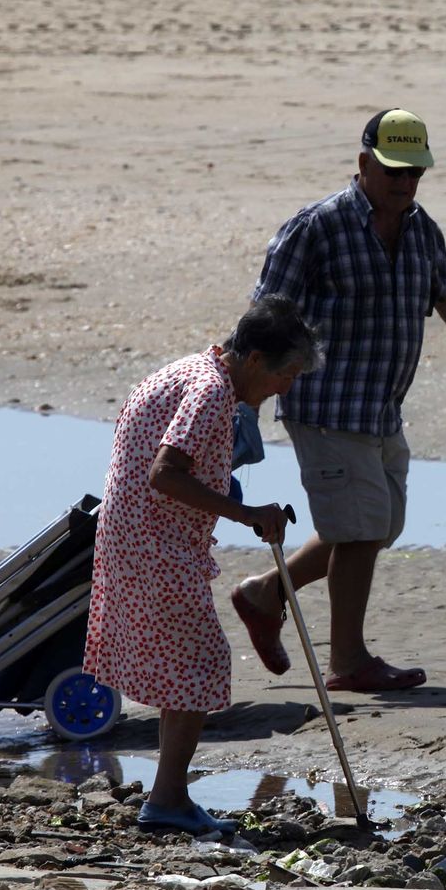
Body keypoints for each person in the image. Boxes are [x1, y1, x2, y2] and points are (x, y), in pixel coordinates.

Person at [231, 109, 446, 694]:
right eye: (393, 170)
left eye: (414, 172)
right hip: (326, 406)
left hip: (382, 408)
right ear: (363, 164)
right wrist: (242, 401)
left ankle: (264, 593)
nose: (405, 183)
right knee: (359, 531)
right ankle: (349, 661)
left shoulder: (421, 229)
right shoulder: (316, 228)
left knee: (373, 526)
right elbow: (264, 316)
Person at [83, 296, 311, 834]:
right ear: (254, 359)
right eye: (286, 374)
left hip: (139, 539)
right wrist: (246, 512)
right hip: (155, 545)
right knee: (199, 666)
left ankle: (170, 796)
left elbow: (180, 465)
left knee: (188, 667)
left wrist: (234, 501)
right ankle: (166, 801)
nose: (287, 388)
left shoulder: (194, 370)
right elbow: (165, 474)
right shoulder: (210, 392)